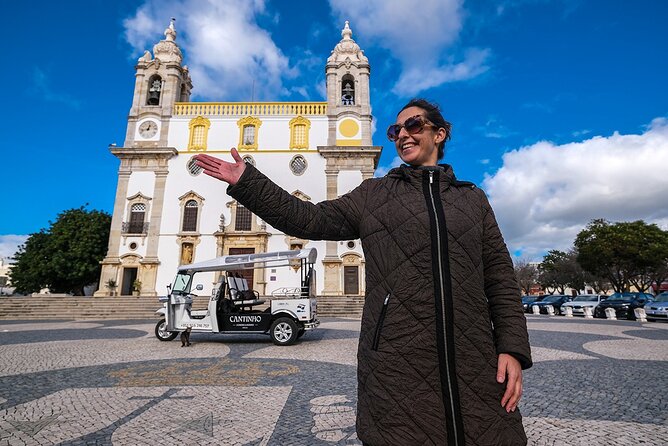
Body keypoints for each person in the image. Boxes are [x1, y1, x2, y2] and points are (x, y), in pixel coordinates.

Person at [194, 98, 532, 445]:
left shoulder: (472, 199)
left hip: (475, 359)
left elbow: (500, 277)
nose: (403, 134)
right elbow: (309, 218)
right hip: (396, 362)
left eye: (413, 125)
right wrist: (249, 183)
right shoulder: (375, 194)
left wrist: (512, 348)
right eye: (395, 130)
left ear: (440, 134)